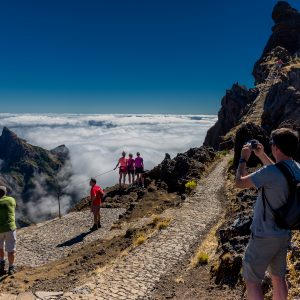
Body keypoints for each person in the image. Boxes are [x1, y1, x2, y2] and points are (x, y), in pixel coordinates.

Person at [235, 128, 300, 300]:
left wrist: (243, 158)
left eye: (272, 144)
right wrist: (261, 154)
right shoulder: (297, 169)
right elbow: (280, 172)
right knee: (278, 278)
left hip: (264, 235)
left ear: (277, 148)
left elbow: (239, 183)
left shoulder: (269, 173)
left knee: (252, 281)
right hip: (284, 233)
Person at [0, 186, 17, 275]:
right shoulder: (11, 200)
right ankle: (11, 268)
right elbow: (13, 207)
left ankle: (1, 265)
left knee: (0, 248)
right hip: (10, 228)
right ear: (5, 193)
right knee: (10, 249)